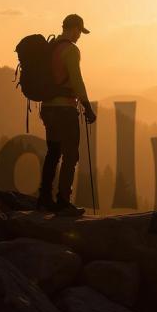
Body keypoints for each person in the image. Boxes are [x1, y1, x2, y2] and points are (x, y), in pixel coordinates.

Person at [37, 14, 97, 216]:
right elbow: (77, 80)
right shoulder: (71, 50)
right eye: (80, 31)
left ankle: (44, 197)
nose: (80, 35)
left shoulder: (51, 47)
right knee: (71, 154)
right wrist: (87, 106)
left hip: (47, 108)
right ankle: (63, 200)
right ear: (73, 28)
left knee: (53, 152)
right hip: (65, 109)